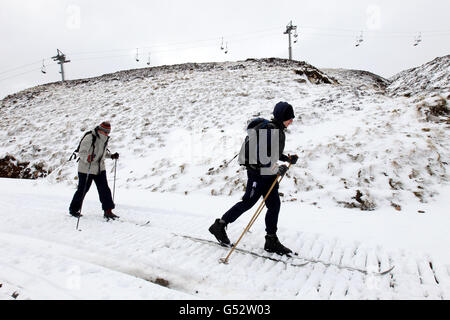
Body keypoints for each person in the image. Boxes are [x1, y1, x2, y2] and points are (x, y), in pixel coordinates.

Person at [209, 102, 298, 256]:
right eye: (289, 118)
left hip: (269, 175)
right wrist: (277, 168)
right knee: (248, 203)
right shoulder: (270, 131)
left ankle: (271, 240)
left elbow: (271, 153)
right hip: (257, 174)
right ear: (282, 117)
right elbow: (261, 158)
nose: (292, 120)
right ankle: (219, 225)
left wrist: (287, 158)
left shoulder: (277, 130)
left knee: (274, 205)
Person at [69, 121, 120, 221]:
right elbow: (82, 152)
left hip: (100, 168)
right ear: (101, 130)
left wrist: (111, 156)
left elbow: (101, 153)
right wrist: (87, 158)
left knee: (104, 189)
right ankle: (73, 210)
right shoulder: (90, 137)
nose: (107, 134)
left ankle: (108, 211)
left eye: (108, 132)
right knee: (82, 190)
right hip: (86, 169)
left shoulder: (104, 139)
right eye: (106, 132)